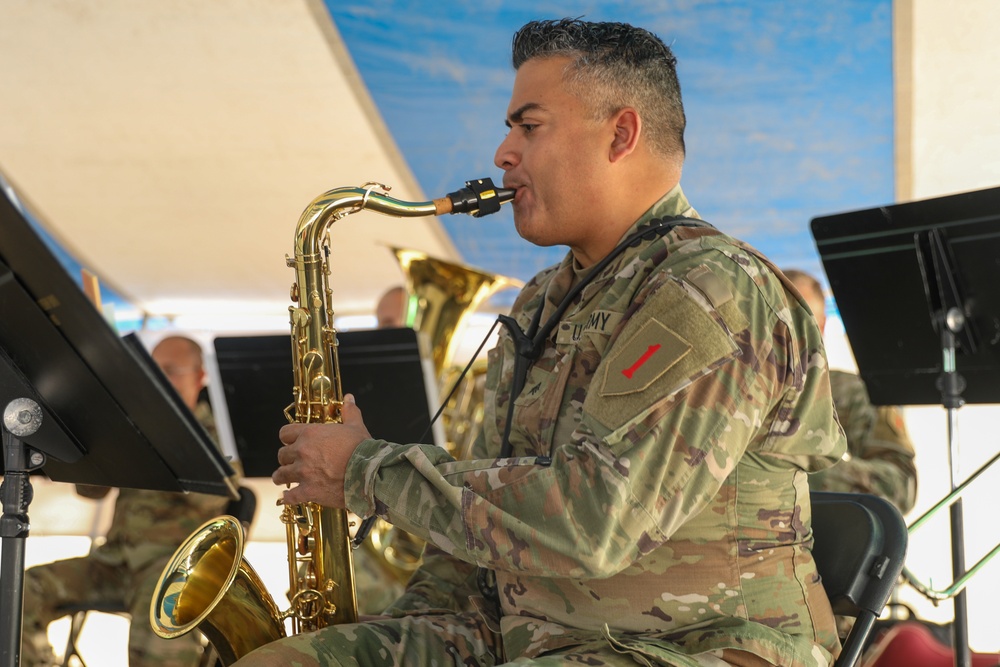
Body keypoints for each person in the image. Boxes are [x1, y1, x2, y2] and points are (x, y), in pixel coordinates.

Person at [234, 18, 847, 667]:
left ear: (621, 133)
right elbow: (474, 535)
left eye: (529, 126)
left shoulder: (710, 288)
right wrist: (394, 635)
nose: (503, 152)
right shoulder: (542, 300)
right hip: (533, 638)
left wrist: (365, 468)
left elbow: (597, 520)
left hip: (702, 647)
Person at [20, 335, 237, 667]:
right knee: (21, 592)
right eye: (152, 370)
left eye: (171, 370)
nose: (160, 380)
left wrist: (173, 436)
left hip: (166, 570)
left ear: (199, 377)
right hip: (113, 562)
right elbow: (90, 492)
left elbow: (214, 502)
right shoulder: (134, 430)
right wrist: (98, 441)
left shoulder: (215, 436)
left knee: (159, 626)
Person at [783, 269, 918, 514]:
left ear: (821, 326)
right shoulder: (740, 393)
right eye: (780, 321)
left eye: (801, 321)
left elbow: (901, 485)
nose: (790, 333)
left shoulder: (851, 392)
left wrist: (801, 471)